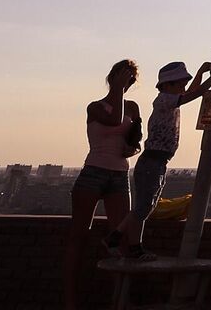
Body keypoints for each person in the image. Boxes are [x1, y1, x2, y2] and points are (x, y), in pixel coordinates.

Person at [112, 59, 211, 258]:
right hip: (152, 162)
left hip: (157, 162)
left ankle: (116, 238)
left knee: (144, 207)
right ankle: (132, 247)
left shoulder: (170, 100)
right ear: (167, 85)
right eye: (179, 84)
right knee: (143, 208)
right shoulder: (164, 100)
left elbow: (190, 91)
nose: (182, 87)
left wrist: (202, 72)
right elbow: (193, 94)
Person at [63, 59, 142, 310]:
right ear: (112, 77)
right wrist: (117, 90)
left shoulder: (132, 107)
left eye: (129, 80)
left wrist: (132, 147)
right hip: (93, 173)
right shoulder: (95, 107)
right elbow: (113, 120)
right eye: (122, 77)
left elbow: (136, 139)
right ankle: (70, 301)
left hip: (119, 175)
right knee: (79, 237)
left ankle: (120, 300)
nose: (126, 83)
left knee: (122, 239)